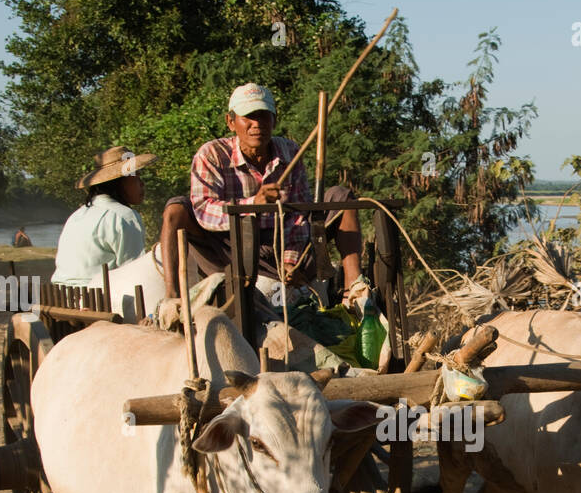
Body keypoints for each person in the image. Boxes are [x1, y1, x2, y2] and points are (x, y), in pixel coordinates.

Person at [158, 83, 369, 324]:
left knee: (341, 196)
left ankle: (355, 293)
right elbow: (204, 210)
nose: (256, 124)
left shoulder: (290, 152)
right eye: (248, 117)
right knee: (176, 208)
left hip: (282, 245)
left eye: (263, 117)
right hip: (231, 246)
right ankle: (172, 296)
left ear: (274, 121)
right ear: (231, 122)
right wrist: (252, 206)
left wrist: (291, 261)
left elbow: (298, 216)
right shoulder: (211, 155)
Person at [51, 145, 156, 286]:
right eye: (136, 177)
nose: (141, 183)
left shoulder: (77, 216)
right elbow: (135, 275)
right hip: (96, 301)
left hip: (62, 296)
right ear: (119, 182)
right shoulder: (124, 216)